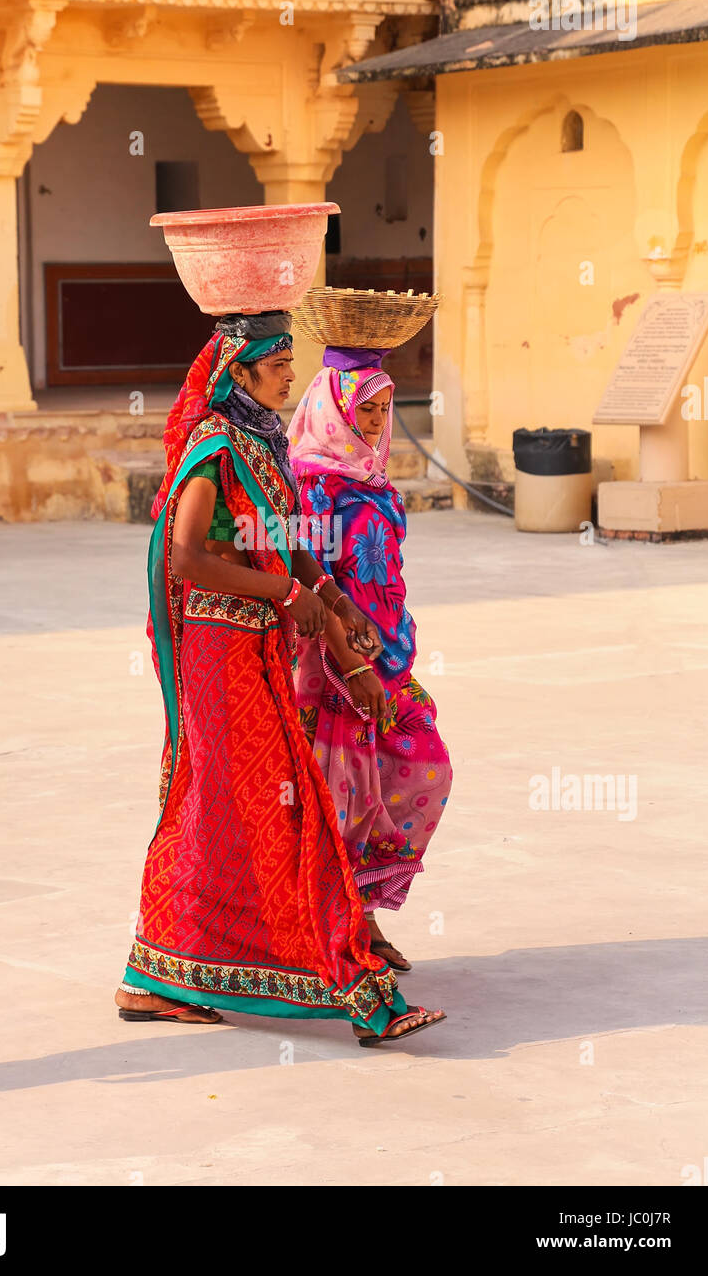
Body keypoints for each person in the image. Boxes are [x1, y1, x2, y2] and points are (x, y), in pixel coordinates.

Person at [115, 315, 445, 1044]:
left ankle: (165, 969)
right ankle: (344, 980)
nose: (290, 376)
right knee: (257, 804)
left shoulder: (264, 445)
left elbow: (290, 550)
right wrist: (291, 599)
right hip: (216, 648)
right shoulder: (214, 447)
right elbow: (188, 558)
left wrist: (333, 612)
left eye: (292, 361)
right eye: (278, 363)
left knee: (237, 806)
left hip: (259, 642)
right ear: (241, 372)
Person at [288, 356, 453, 972]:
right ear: (335, 410)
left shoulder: (374, 480)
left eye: (385, 410)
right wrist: (347, 658)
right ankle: (346, 932)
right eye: (366, 410)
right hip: (331, 666)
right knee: (342, 800)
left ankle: (358, 914)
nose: (378, 422)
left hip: (386, 657)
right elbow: (305, 574)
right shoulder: (310, 483)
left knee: (422, 768)